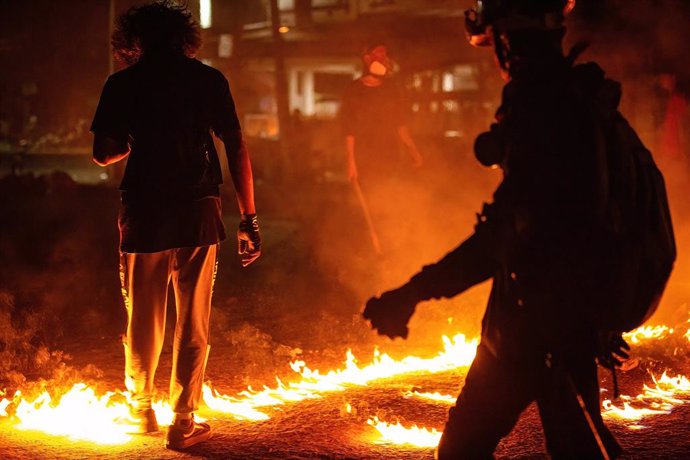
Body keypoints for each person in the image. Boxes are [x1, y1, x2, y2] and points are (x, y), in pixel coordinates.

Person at [362, 1, 640, 458]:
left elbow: (503, 236)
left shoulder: (541, 109)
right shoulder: (578, 99)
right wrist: (601, 316)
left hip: (529, 327)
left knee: (461, 451)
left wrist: (411, 293)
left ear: (506, 41)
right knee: (580, 449)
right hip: (572, 322)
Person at [90, 2, 261, 450]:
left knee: (142, 314)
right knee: (192, 318)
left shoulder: (122, 84)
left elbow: (103, 153)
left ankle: (140, 409)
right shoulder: (207, 80)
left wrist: (137, 140)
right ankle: (182, 421)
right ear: (182, 37)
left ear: (135, 40)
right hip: (197, 205)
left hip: (143, 207)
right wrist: (249, 217)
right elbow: (236, 146)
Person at [340, 44, 423, 252]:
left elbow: (400, 125)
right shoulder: (353, 90)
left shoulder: (392, 89)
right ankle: (368, 247)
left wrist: (414, 151)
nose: (384, 58)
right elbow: (348, 129)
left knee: (387, 198)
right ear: (367, 58)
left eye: (386, 54)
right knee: (367, 202)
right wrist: (350, 161)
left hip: (389, 156)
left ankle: (389, 245)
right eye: (379, 53)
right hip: (364, 157)